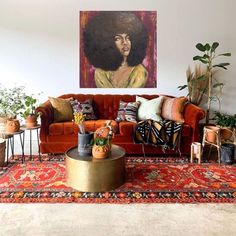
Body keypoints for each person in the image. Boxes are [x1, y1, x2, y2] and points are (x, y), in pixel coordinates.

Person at [83, 11, 148, 88]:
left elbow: (128, 97)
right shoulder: (100, 72)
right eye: (118, 38)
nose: (125, 42)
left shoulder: (140, 72)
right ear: (106, 42)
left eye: (128, 38)